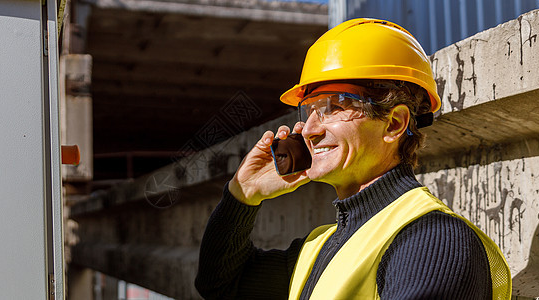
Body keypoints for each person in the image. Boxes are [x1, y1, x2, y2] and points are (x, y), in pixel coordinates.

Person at [194, 19, 511, 299]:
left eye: (334, 107)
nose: (311, 130)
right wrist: (242, 195)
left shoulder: (435, 241)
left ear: (394, 123)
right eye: (310, 110)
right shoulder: (323, 245)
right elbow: (222, 286)